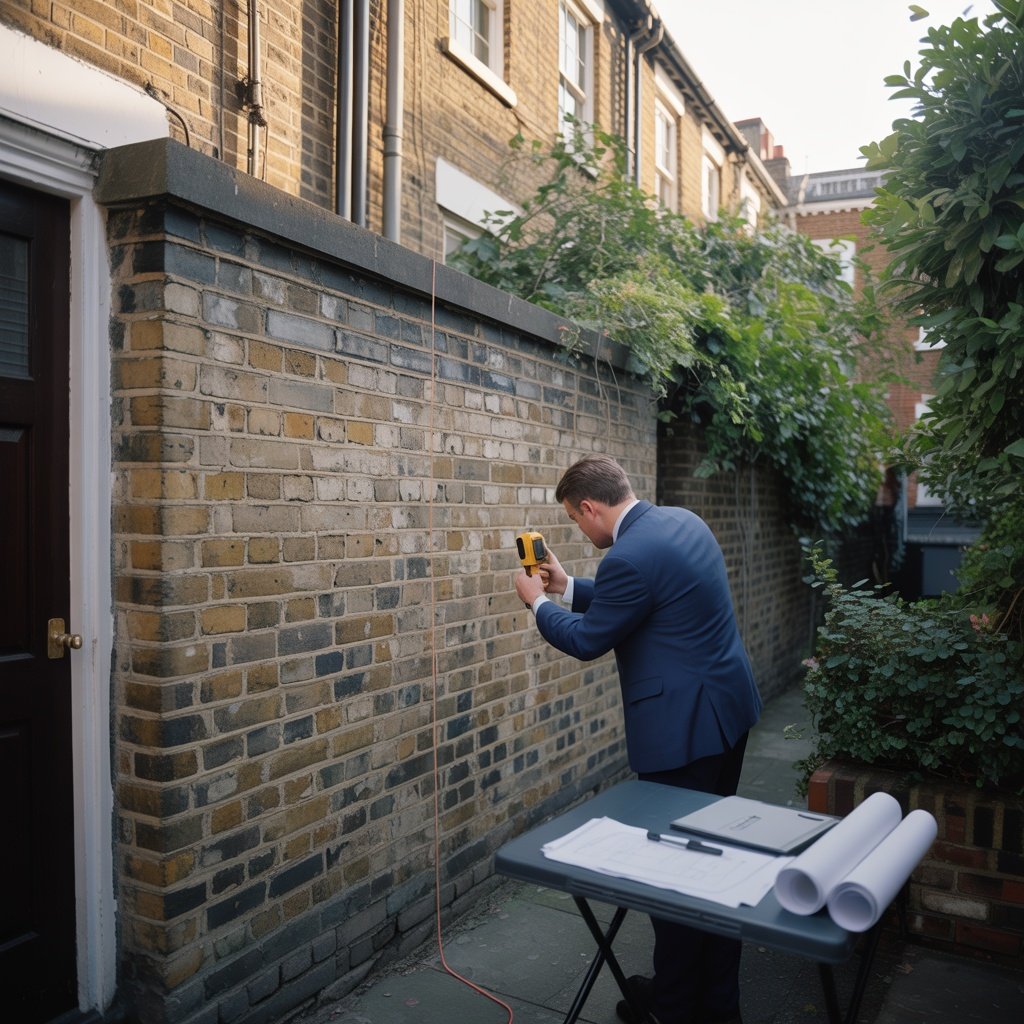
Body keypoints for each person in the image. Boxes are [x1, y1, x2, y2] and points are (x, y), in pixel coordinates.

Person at [515, 454, 762, 1024]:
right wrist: (570, 583)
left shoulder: (629, 556)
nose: (580, 531)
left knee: (674, 877)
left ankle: (677, 1008)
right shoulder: (680, 523)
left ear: (590, 507)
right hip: (727, 715)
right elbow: (640, 594)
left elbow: (587, 641)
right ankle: (714, 1003)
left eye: (577, 522)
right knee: (713, 862)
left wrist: (539, 603)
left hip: (682, 735)